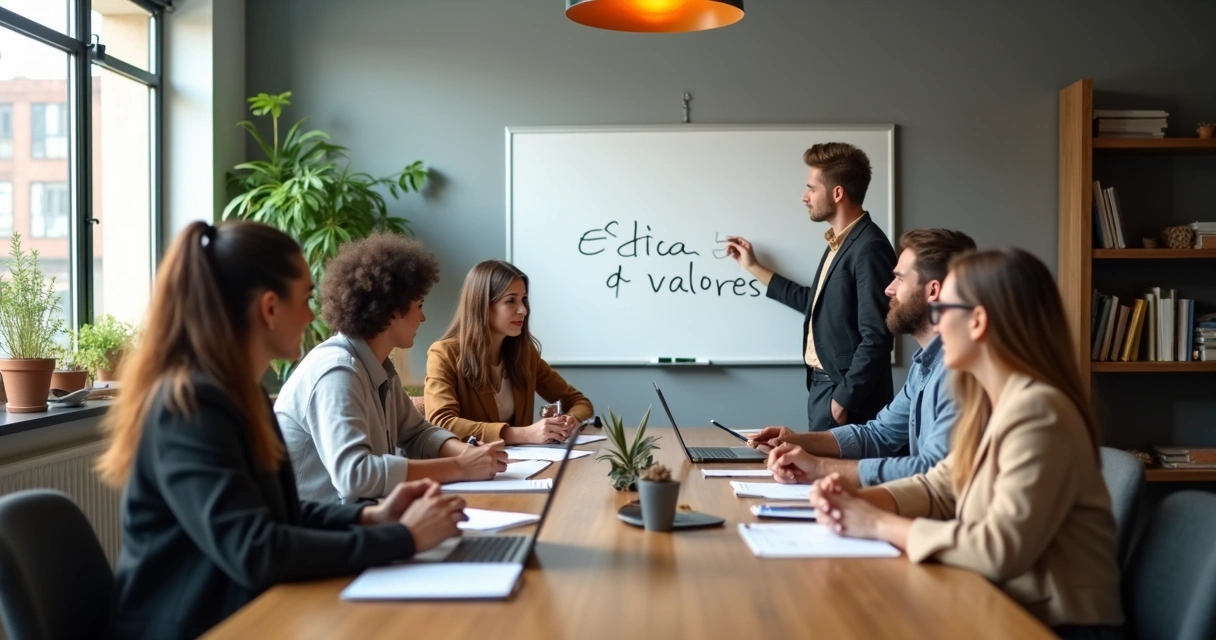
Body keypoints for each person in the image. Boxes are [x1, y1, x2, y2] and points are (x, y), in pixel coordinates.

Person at [98, 222, 468, 640]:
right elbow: (256, 549)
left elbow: (283, 512)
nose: (314, 315)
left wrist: (371, 517)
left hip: (244, 610)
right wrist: (402, 537)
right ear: (270, 308)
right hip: (197, 625)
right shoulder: (189, 406)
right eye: (306, 298)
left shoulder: (240, 393)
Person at [807, 248, 1124, 638]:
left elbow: (998, 549)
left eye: (942, 311)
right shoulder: (991, 401)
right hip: (1002, 604)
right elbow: (942, 485)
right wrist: (860, 501)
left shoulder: (1040, 412)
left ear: (977, 321)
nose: (935, 324)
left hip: (1056, 625)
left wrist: (877, 523)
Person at [276, 234, 508, 504]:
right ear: (391, 311)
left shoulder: (379, 366)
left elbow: (416, 432)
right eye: (419, 305)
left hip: (363, 522)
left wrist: (465, 453)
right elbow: (356, 477)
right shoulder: (337, 373)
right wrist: (461, 467)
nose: (423, 316)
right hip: (315, 536)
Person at [752, 229, 975, 489]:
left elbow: (931, 471)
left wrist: (820, 467)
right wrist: (796, 440)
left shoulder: (957, 372)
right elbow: (878, 434)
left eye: (899, 279)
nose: (888, 289)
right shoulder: (923, 366)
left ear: (932, 290)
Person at [726, 142, 896, 431]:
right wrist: (754, 267)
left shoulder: (869, 247)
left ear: (837, 192)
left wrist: (841, 401)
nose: (805, 197)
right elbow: (816, 303)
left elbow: (878, 336)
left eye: (811, 188)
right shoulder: (839, 243)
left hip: (846, 397)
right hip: (824, 388)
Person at [425, 260, 593, 444]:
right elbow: (441, 423)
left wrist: (570, 420)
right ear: (482, 306)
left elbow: (579, 402)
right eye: (511, 300)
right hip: (470, 468)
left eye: (523, 300)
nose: (523, 310)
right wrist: (526, 434)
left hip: (525, 466)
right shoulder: (444, 354)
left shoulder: (525, 355)